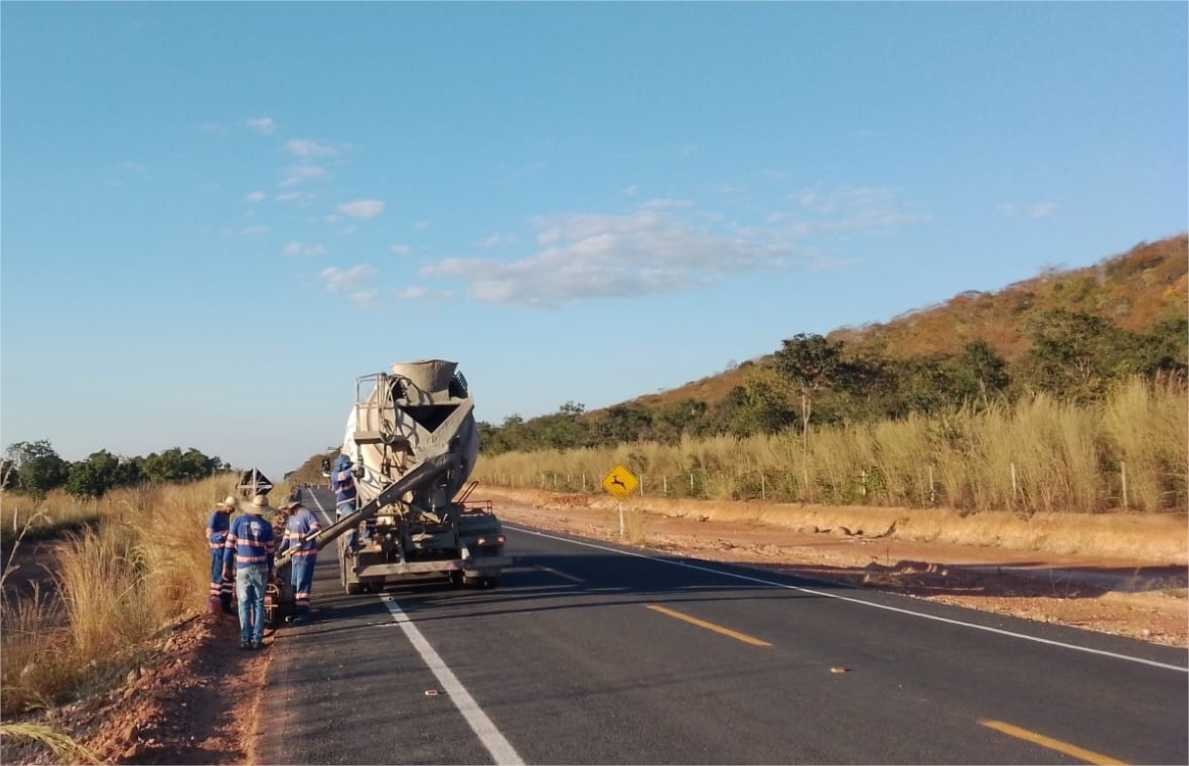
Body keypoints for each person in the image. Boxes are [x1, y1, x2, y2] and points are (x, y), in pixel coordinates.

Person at [223, 494, 275, 649]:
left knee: (243, 603)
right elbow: (271, 552)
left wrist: (226, 566)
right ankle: (256, 639)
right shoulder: (266, 526)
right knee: (259, 603)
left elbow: (229, 546)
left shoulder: (238, 522)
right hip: (260, 568)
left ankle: (245, 639)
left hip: (243, 568)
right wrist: (271, 569)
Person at [277, 499, 322, 622]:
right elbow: (287, 536)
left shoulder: (306, 514)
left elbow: (316, 527)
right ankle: (295, 610)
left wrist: (306, 537)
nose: (285, 512)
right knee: (294, 583)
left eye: (286, 509)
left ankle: (303, 612)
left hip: (306, 555)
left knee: (302, 583)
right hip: (295, 556)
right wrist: (281, 549)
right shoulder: (290, 519)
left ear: (292, 507)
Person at [206, 496, 236, 614]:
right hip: (217, 551)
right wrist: (223, 535)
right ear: (226, 506)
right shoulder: (216, 516)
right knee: (217, 576)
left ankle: (226, 605)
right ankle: (216, 606)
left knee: (228, 577)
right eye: (231, 508)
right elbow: (209, 535)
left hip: (226, 551)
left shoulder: (227, 516)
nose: (232, 511)